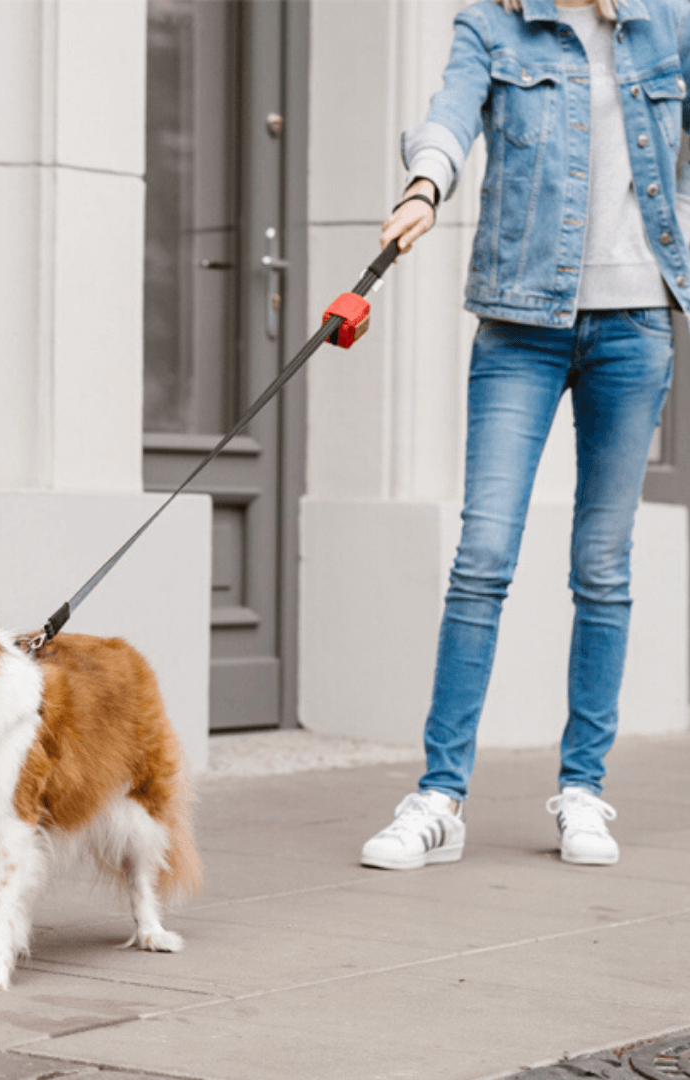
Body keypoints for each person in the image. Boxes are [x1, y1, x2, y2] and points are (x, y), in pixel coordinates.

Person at [362, 0, 690, 870]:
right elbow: (449, 114)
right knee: (483, 558)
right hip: (519, 326)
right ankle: (439, 797)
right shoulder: (493, 26)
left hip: (635, 326)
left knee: (603, 567)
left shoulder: (669, 22)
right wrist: (424, 186)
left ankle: (584, 789)